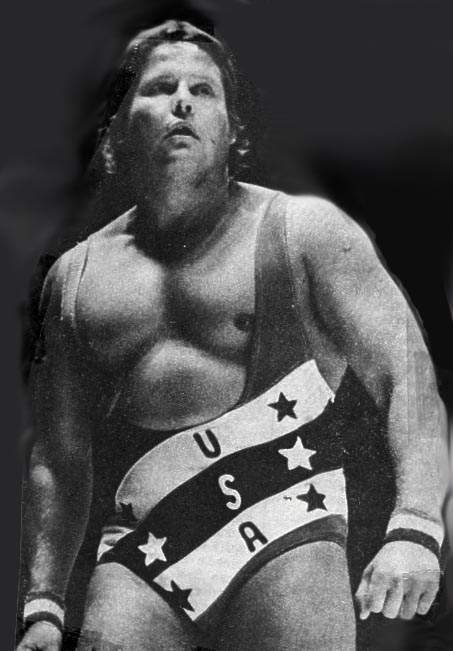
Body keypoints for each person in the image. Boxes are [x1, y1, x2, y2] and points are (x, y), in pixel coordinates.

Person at [17, 20, 448, 651]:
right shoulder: (77, 277)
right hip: (147, 549)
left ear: (232, 130)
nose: (182, 102)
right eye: (160, 87)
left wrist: (415, 527)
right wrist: (43, 606)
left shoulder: (306, 232)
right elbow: (58, 456)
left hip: (288, 523)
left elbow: (406, 376)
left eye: (203, 90)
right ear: (117, 130)